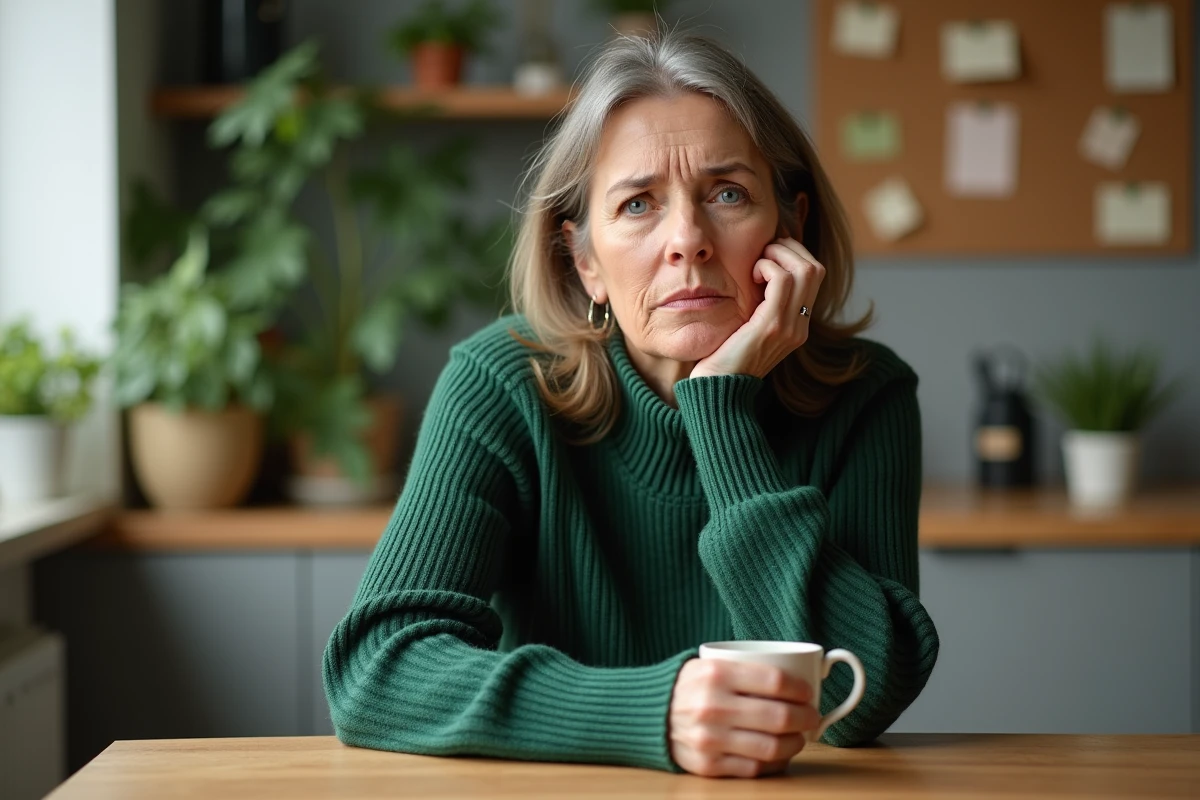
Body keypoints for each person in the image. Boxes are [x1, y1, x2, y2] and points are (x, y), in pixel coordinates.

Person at [323, 30, 939, 779]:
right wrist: (655, 710)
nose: (688, 240)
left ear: (792, 226)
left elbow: (861, 696)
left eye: (728, 193)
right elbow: (376, 671)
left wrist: (720, 410)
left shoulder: (865, 395)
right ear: (585, 261)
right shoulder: (501, 385)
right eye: (639, 204)